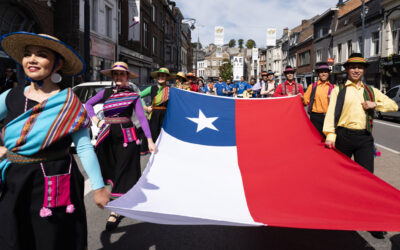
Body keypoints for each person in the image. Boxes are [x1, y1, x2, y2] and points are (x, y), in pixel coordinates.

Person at [0, 31, 110, 250]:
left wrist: (98, 187)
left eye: (41, 55)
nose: (31, 59)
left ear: (57, 64)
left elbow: (84, 146)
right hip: (15, 180)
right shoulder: (10, 96)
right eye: (27, 54)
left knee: (51, 240)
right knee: (13, 236)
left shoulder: (70, 103)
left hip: (56, 180)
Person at [323, 53, 398, 239]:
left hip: (364, 139)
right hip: (342, 137)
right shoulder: (338, 90)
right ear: (347, 69)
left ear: (364, 70)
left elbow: (393, 105)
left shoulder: (371, 91)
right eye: (353, 67)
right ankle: (340, 216)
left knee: (367, 181)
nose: (356, 70)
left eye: (360, 67)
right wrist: (330, 135)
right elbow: (331, 113)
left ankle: (370, 221)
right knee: (341, 180)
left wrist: (375, 104)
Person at [85, 61, 156, 231]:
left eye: (121, 74)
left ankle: (116, 210)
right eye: (115, 74)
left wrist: (150, 140)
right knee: (111, 169)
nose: (118, 77)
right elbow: (88, 104)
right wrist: (95, 119)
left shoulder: (133, 95)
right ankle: (121, 199)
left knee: (124, 171)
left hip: (127, 137)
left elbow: (142, 117)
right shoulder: (106, 92)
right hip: (107, 136)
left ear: (126, 77)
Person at [303, 62, 335, 137]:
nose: (323, 74)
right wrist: (299, 97)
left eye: (325, 72)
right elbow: (304, 101)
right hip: (315, 117)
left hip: (329, 117)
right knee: (315, 138)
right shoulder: (312, 86)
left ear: (328, 74)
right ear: (318, 74)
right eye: (321, 72)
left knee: (328, 138)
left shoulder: (334, 87)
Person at [140, 68, 171, 142]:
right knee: (153, 135)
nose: (160, 78)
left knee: (163, 137)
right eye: (159, 76)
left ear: (166, 77)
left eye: (163, 76)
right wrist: (145, 108)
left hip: (165, 116)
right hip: (154, 116)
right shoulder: (151, 88)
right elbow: (138, 96)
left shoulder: (170, 90)